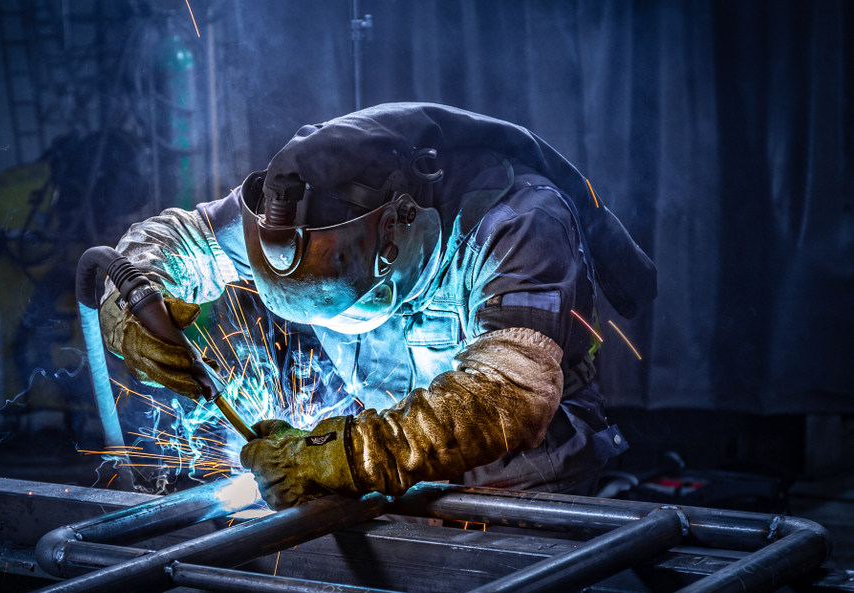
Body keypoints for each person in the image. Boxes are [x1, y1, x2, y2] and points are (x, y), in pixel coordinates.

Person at [99, 103, 657, 510]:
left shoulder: (519, 221)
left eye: (345, 301)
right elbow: (180, 239)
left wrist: (341, 457)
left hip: (529, 489)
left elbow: (506, 400)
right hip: (393, 484)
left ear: (398, 226)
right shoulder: (295, 213)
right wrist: (133, 301)